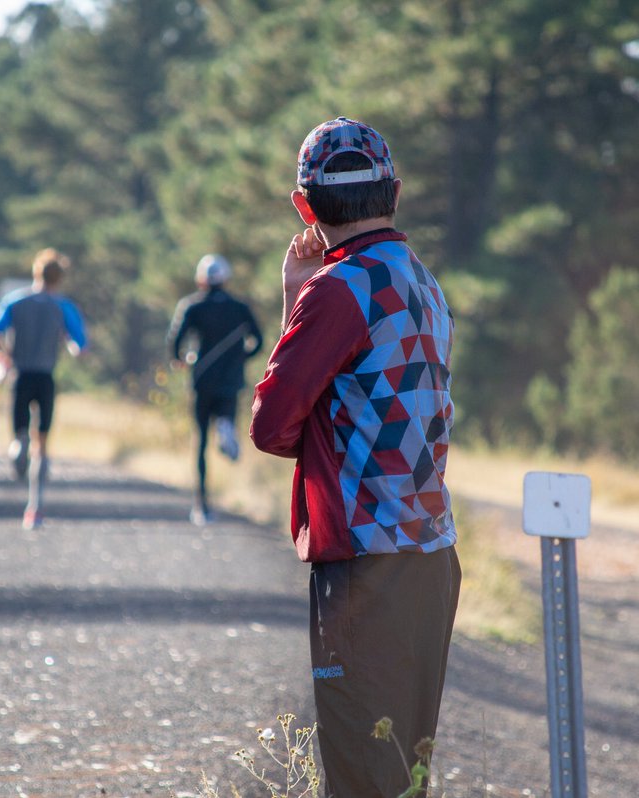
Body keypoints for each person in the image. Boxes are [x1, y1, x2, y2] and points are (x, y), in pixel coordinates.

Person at [250, 117, 461, 797]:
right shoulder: (423, 281)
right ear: (394, 193)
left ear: (304, 206)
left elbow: (272, 425)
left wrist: (295, 296)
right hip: (432, 556)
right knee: (405, 770)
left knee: (358, 776)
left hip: (366, 561)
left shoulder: (338, 288)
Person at [0, 248, 87, 530]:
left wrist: (7, 352)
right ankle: (34, 507)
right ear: (60, 277)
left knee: (20, 434)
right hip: (45, 376)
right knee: (42, 443)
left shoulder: (15, 301)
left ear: (36, 272)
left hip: (20, 374)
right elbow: (79, 344)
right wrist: (70, 347)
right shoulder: (63, 306)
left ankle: (18, 449)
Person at [167, 253, 263, 525]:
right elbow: (257, 340)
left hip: (202, 380)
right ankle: (226, 424)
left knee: (200, 442)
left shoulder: (192, 306)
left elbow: (175, 341)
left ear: (201, 280)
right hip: (230, 381)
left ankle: (202, 506)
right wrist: (241, 358)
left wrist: (179, 360)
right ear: (226, 279)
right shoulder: (240, 307)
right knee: (226, 414)